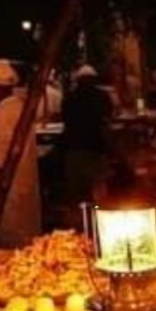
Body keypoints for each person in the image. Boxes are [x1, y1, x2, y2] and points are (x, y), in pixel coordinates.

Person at [0, 59, 41, 247]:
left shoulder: (6, 111)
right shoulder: (18, 106)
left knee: (10, 240)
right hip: (21, 185)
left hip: (9, 191)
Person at [61, 64, 114, 207]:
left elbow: (65, 120)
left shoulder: (69, 98)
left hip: (74, 150)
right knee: (98, 193)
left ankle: (78, 223)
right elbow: (107, 121)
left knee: (77, 195)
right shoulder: (102, 97)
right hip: (95, 150)